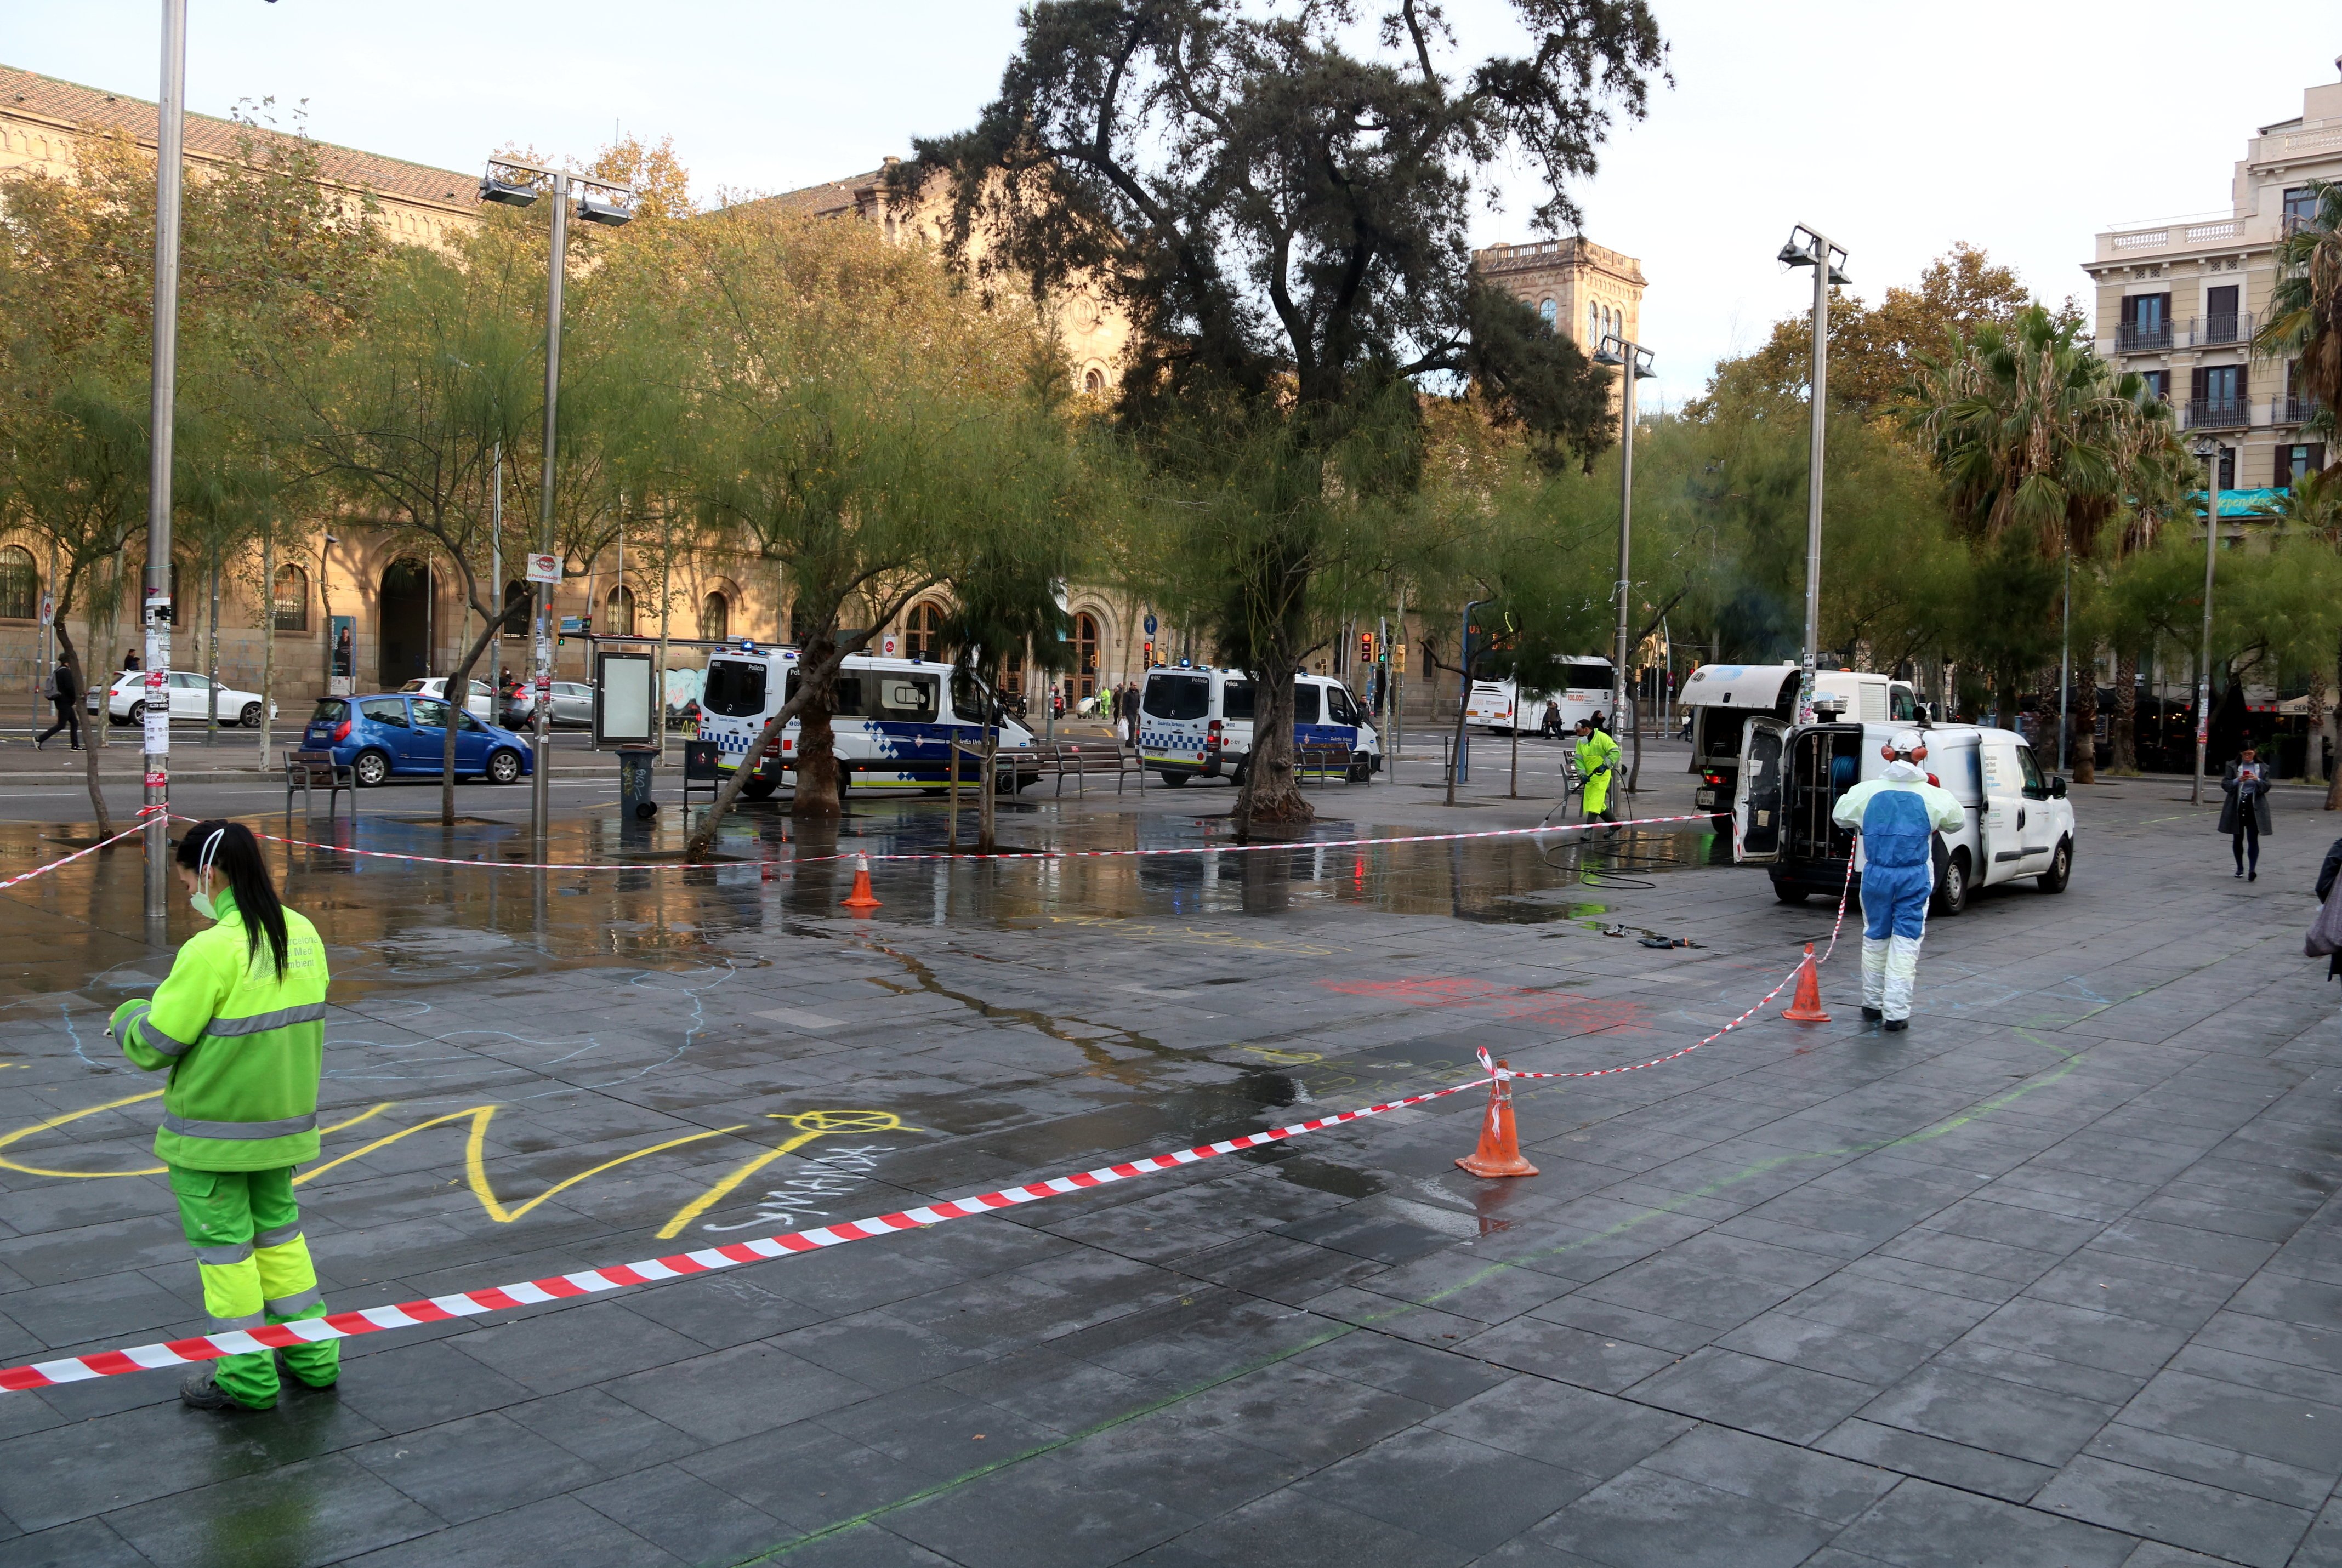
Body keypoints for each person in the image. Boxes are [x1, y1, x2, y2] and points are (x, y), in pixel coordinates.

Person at [110, 822, 336, 1412]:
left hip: (212, 1141)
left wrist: (128, 1013)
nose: (190, 895)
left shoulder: (212, 949)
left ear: (209, 874)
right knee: (282, 1242)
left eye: (187, 881)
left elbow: (156, 1043)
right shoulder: (303, 932)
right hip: (282, 1131)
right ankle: (314, 1358)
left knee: (227, 1258)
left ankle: (248, 1379)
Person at [1832, 730, 1966, 1032]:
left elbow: (1841, 816)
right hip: (1914, 875)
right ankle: (1895, 1013)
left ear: (1887, 754)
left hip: (1876, 874)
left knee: (1876, 935)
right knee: (1906, 941)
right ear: (1921, 756)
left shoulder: (1865, 791)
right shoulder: (1933, 795)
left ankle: (1872, 1003)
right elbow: (1957, 821)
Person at [2221, 745, 2272, 881]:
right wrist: (2238, 780)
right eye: (2245, 754)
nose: (2247, 757)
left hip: (2254, 804)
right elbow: (2225, 785)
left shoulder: (2262, 767)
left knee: (2253, 838)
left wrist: (2257, 780)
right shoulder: (2233, 766)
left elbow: (2267, 786)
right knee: (2238, 837)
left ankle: (2252, 869)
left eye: (2250, 754)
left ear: (2255, 753)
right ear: (2241, 753)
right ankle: (2240, 868)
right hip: (2238, 803)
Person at [1572, 716, 1622, 829]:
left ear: (1586, 729)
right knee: (1597, 803)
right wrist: (1582, 774)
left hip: (1602, 776)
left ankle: (1588, 832)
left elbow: (1615, 752)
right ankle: (1615, 825)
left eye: (1578, 731)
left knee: (1595, 802)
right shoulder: (1581, 742)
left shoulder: (1602, 738)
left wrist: (1605, 765)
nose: (1577, 734)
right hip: (1590, 777)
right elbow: (1579, 760)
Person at [35, 655, 79, 750]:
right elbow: (69, 687)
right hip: (65, 702)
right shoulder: (66, 672)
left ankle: (75, 745)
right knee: (61, 725)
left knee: (74, 722)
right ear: (68, 662)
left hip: (61, 700)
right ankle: (39, 739)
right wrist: (74, 698)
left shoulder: (59, 671)